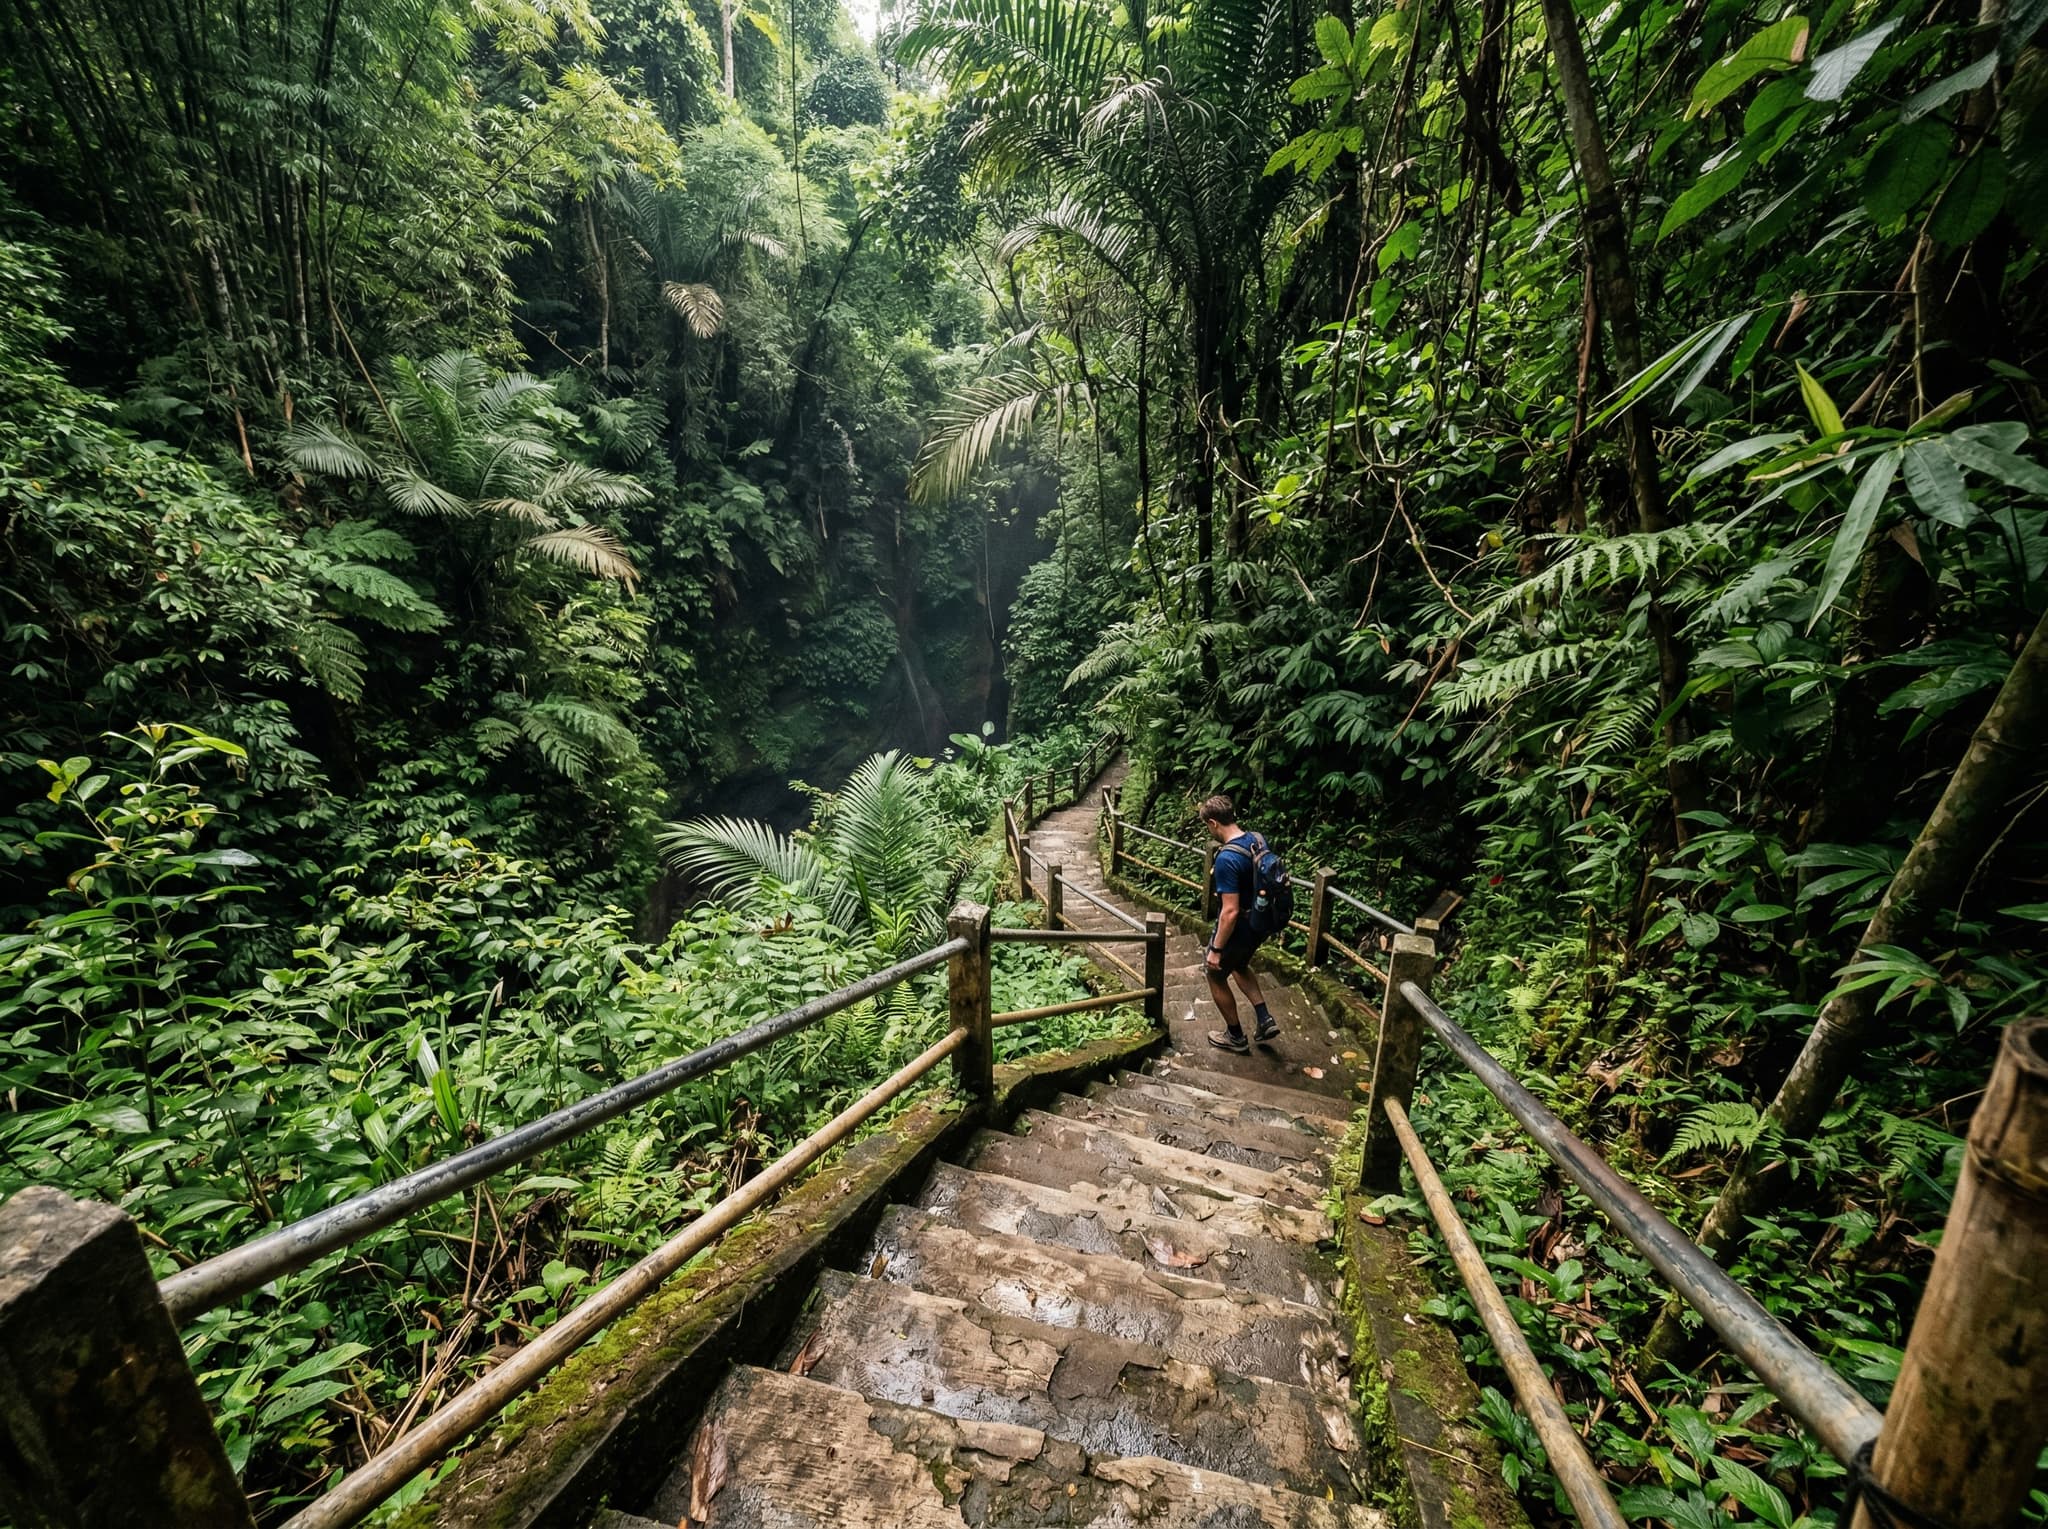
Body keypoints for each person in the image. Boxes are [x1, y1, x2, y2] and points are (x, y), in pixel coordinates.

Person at [1198, 794, 1280, 1054]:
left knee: (1214, 973)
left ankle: (1235, 1036)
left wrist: (1216, 950)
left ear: (1213, 823)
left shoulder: (1226, 859)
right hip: (1261, 920)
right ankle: (1264, 1018)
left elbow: (1229, 912)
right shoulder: (1256, 838)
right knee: (1240, 964)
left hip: (1240, 925)